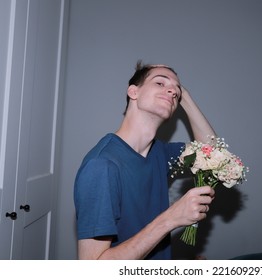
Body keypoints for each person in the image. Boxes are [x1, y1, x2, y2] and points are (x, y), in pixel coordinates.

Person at [74, 61, 216, 260]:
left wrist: (187, 98)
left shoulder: (160, 152)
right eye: (159, 83)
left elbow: (214, 154)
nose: (172, 92)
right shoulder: (102, 166)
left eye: (176, 90)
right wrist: (170, 219)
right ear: (133, 92)